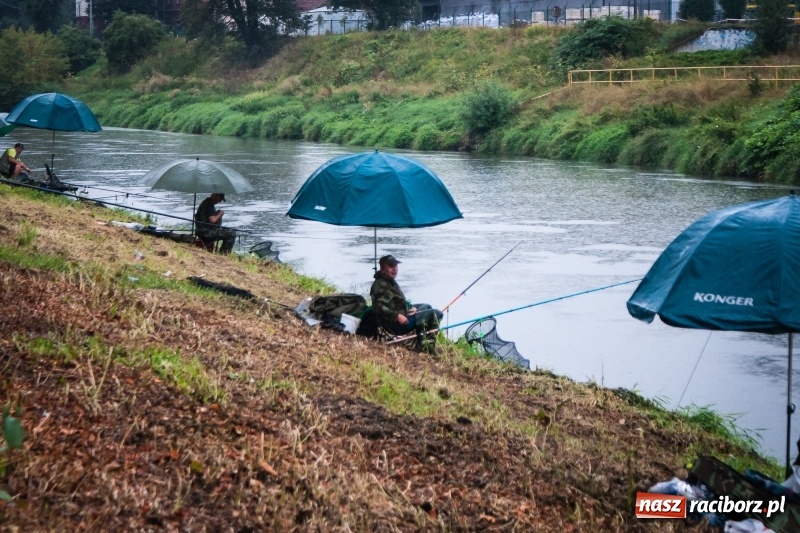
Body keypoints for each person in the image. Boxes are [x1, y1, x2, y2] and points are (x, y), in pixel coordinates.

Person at [370, 254, 443, 337]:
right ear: (382, 269)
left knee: (427, 306)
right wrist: (397, 316)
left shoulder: (390, 280)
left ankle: (422, 341)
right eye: (391, 266)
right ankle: (426, 346)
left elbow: (396, 302)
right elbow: (378, 307)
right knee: (436, 313)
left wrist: (409, 308)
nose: (394, 269)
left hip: (402, 314)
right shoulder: (380, 285)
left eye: (396, 265)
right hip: (395, 325)